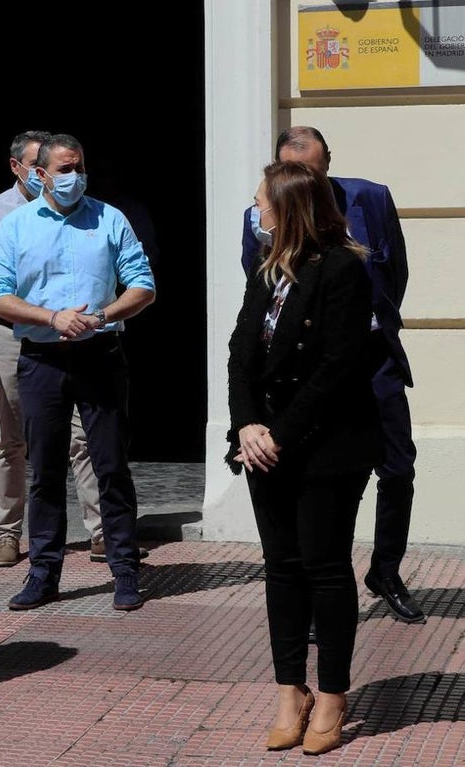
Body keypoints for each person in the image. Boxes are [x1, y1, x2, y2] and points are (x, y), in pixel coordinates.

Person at [228, 160, 383, 755]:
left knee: (323, 566)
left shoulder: (344, 268)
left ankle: (334, 694)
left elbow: (336, 370)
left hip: (327, 445)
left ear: (290, 207)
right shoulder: (267, 270)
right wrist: (246, 425)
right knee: (281, 568)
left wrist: (278, 434)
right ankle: (290, 690)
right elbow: (241, 352)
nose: (256, 212)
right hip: (264, 445)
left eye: (262, 202)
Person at [240, 126, 422, 624]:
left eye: (314, 171)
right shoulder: (259, 216)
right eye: (293, 171)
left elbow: (395, 273)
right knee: (326, 483)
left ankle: (386, 569)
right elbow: (260, 301)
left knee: (398, 467)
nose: (306, 180)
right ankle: (324, 587)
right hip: (310, 374)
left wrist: (363, 328)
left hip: (372, 359)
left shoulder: (370, 199)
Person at [0, 133, 155, 612]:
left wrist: (100, 315)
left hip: (100, 354)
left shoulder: (110, 218)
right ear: (39, 174)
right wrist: (51, 317)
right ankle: (44, 574)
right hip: (41, 358)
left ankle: (124, 571)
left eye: (79, 166)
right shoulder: (16, 226)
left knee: (110, 465)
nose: (74, 176)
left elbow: (143, 284)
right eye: (64, 168)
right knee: (45, 470)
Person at [0, 131, 105, 568]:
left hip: (70, 336)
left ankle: (100, 531)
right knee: (11, 438)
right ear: (18, 167)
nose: (50, 175)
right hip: (9, 335)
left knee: (82, 435)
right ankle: (8, 533)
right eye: (37, 166)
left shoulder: (81, 211)